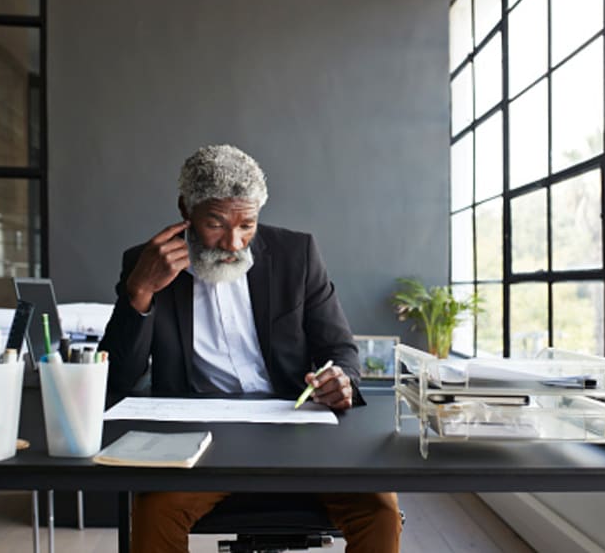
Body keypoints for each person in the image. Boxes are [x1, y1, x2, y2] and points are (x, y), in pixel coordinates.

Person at [99, 144, 401, 553]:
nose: (233, 242)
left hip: (298, 430)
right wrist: (140, 291)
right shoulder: (145, 263)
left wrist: (340, 379)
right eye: (216, 223)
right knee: (155, 512)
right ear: (186, 209)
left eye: (248, 225)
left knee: (379, 512)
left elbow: (340, 348)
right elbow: (116, 377)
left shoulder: (297, 255)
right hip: (196, 439)